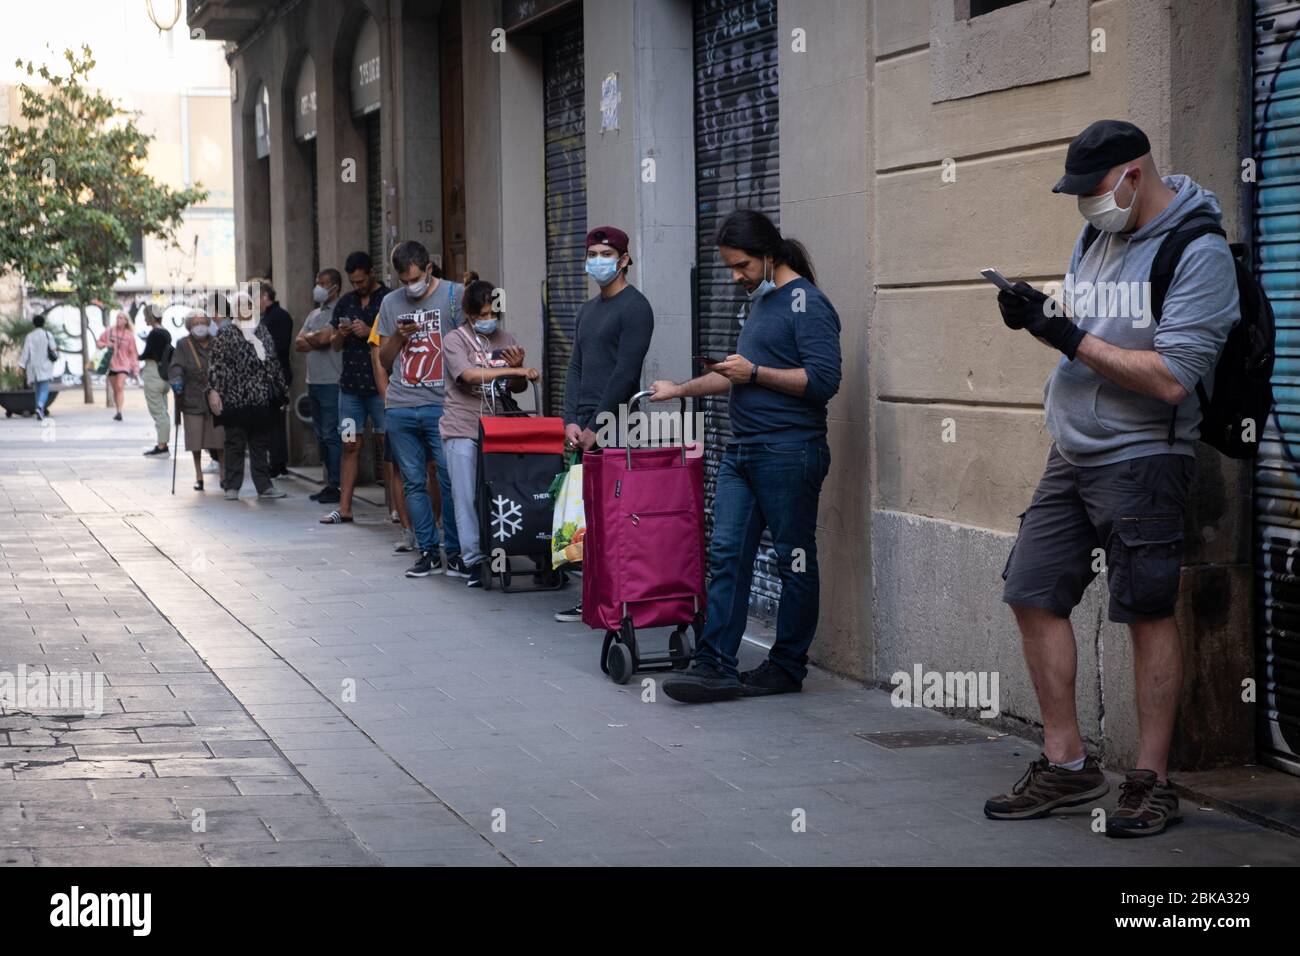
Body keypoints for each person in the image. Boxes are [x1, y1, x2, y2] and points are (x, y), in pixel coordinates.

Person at [987, 120, 1240, 838]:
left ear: (1134, 173)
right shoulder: (1097, 235)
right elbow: (1087, 330)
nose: (1084, 205)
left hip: (1143, 460)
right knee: (1031, 592)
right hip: (1070, 452)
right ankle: (1067, 766)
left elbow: (1170, 379)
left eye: (1092, 189)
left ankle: (1153, 781)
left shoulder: (1199, 251)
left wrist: (1067, 337)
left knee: (1146, 611)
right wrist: (1038, 319)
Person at [651, 209, 840, 704]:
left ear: (769, 256)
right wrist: (678, 390)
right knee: (727, 554)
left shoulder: (807, 303)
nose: (736, 277)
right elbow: (735, 373)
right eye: (731, 268)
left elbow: (824, 381)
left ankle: (786, 666)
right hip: (743, 452)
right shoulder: (761, 303)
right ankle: (715, 665)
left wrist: (756, 373)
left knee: (793, 560)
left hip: (788, 451)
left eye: (742, 266)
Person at [553, 225, 655, 622]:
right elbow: (575, 366)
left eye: (606, 254)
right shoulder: (587, 310)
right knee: (589, 516)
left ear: (624, 259)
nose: (598, 261)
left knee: (617, 516)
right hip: (586, 430)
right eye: (592, 253)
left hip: (619, 429)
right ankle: (594, 595)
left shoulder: (636, 308)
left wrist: (600, 423)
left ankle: (619, 598)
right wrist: (570, 421)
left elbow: (626, 373)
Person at [373, 240, 464, 578]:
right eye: (403, 280)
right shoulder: (390, 303)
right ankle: (427, 550)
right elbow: (383, 358)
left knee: (450, 479)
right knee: (413, 482)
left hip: (443, 405)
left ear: (429, 268)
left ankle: (454, 551)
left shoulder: (455, 295)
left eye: (415, 278)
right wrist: (398, 336)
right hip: (401, 405)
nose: (410, 286)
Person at [441, 279, 538, 587]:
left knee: (502, 492)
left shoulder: (506, 338)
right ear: (469, 314)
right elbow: (467, 375)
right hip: (463, 426)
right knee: (466, 495)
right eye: (481, 314)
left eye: (492, 312)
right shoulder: (455, 340)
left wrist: (518, 368)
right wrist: (514, 370)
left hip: (500, 428)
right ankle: (473, 560)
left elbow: (517, 387)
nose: (488, 319)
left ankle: (506, 548)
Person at [321, 252, 390, 525]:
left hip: (380, 388)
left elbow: (397, 338)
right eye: (353, 281)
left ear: (371, 272)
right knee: (350, 444)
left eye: (361, 280)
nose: (358, 286)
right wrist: (342, 334)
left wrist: (369, 330)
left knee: (387, 444)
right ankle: (345, 508)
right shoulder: (345, 303)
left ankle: (395, 509)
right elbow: (335, 345)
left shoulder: (388, 299)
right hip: (350, 390)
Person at [207, 290, 290, 501]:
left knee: (260, 443)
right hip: (234, 397)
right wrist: (214, 391)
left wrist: (282, 392)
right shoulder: (225, 333)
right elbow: (216, 365)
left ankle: (264, 486)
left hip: (260, 397)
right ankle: (232, 486)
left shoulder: (261, 330)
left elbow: (273, 362)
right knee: (234, 442)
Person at [296, 269, 343, 504]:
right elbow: (298, 343)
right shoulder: (315, 313)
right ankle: (329, 482)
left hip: (333, 383)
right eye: (317, 283)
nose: (318, 288)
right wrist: (317, 337)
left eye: (323, 284)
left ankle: (337, 485)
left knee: (333, 436)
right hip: (313, 382)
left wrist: (314, 338)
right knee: (322, 436)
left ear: (335, 287)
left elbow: (325, 340)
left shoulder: (341, 311)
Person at [168, 310, 225, 491]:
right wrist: (177, 380)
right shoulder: (183, 344)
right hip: (192, 397)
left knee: (220, 439)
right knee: (195, 439)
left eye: (202, 322)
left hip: (215, 398)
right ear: (189, 327)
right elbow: (176, 366)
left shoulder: (218, 342)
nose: (199, 326)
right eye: (195, 323)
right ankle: (198, 475)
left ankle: (224, 474)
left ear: (208, 324)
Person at [257, 281, 294, 477]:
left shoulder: (278, 317)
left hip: (275, 376)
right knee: (270, 420)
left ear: (264, 296)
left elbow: (278, 348)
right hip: (267, 375)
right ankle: (276, 460)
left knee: (275, 419)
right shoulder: (265, 317)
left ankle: (278, 462)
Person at [139, 304, 173, 457]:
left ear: (150, 316)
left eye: (146, 315)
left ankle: (162, 446)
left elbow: (146, 354)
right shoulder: (166, 333)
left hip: (153, 374)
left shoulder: (154, 334)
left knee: (158, 413)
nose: (144, 318)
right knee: (163, 412)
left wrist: (136, 354)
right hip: (164, 376)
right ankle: (163, 443)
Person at [96, 310, 139, 421]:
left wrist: (135, 369)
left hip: (124, 365)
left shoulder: (129, 335)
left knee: (119, 386)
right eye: (117, 317)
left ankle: (120, 412)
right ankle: (117, 410)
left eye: (121, 318)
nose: (118, 319)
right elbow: (99, 343)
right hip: (110, 364)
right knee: (115, 389)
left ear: (126, 321)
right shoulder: (109, 331)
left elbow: (133, 353)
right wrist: (106, 344)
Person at [18, 314, 57, 421]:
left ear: (33, 324)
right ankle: (40, 407)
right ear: (43, 323)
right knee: (44, 389)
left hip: (33, 366)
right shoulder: (48, 335)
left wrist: (21, 365)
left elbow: (25, 352)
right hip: (46, 365)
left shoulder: (30, 336)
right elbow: (53, 349)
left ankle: (39, 408)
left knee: (37, 389)